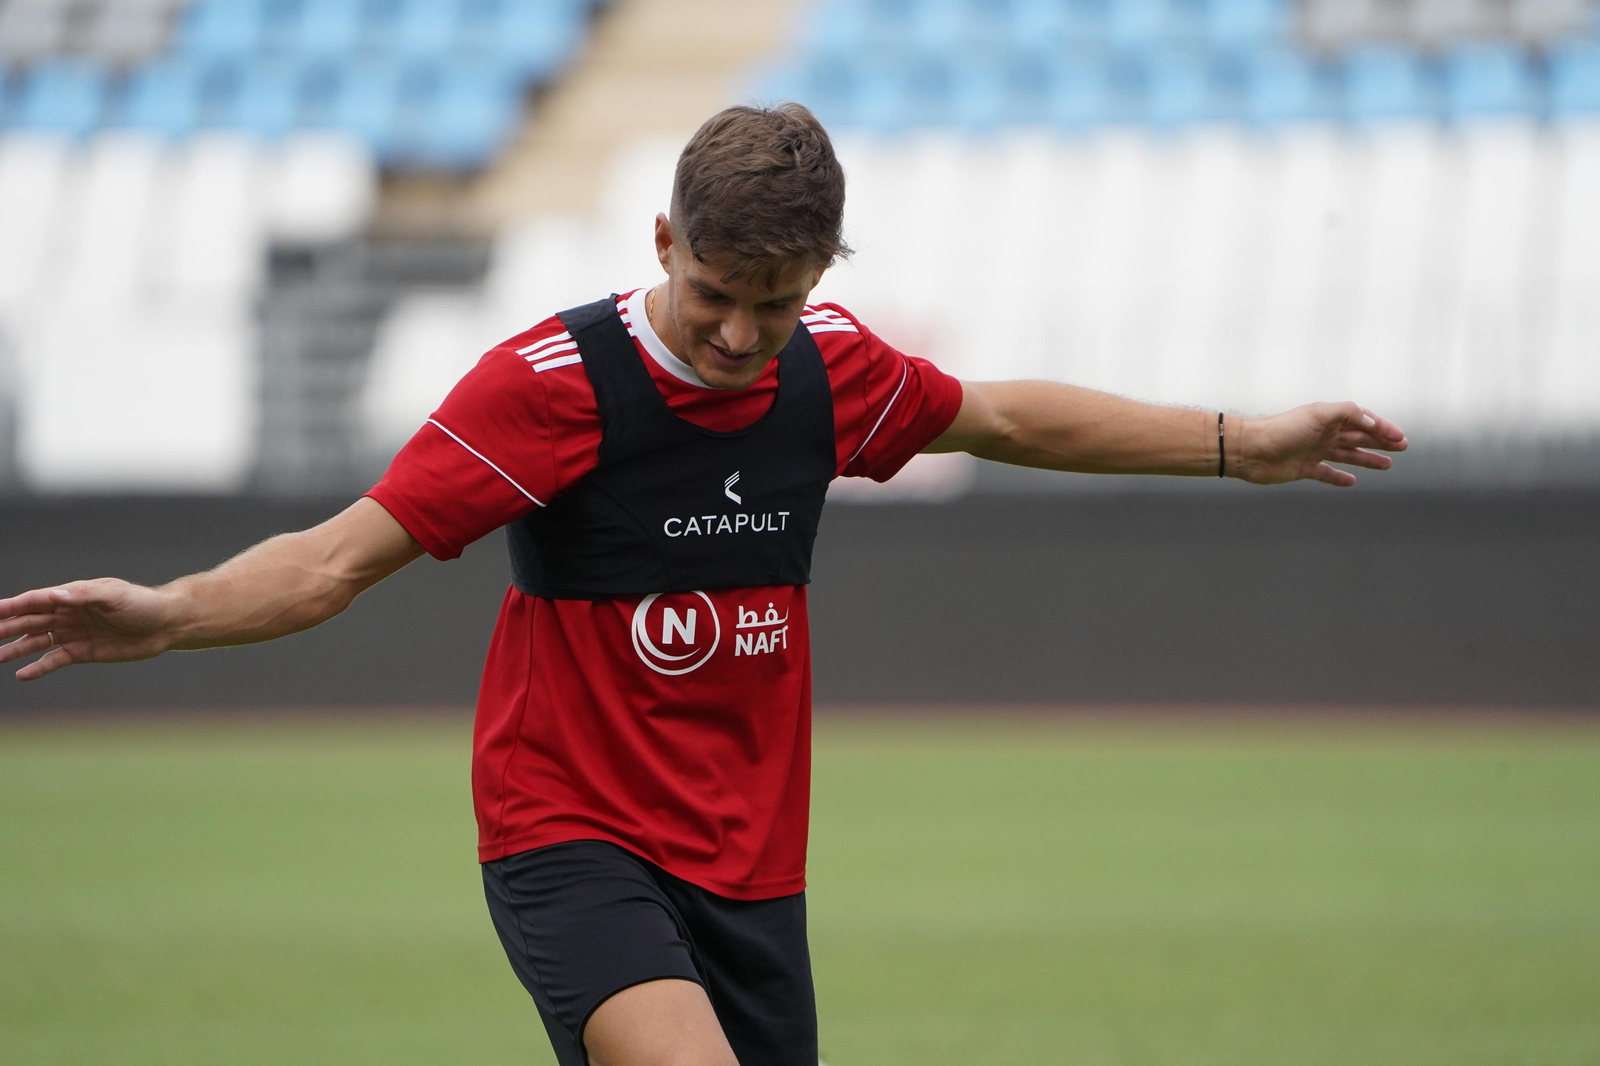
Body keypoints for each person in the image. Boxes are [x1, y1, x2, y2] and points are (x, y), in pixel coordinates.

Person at [0, 104, 1407, 1066]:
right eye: (716, 292)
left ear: (823, 276)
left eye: (776, 303)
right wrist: (172, 613)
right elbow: (332, 560)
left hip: (751, 857)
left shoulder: (831, 371)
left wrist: (1243, 444)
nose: (740, 334)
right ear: (664, 242)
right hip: (569, 831)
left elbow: (1005, 419)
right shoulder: (548, 388)